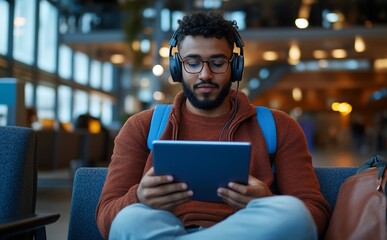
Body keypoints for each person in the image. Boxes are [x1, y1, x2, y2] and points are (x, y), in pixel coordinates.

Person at [96, 10, 330, 240]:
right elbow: (106, 218)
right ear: (177, 68)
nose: (205, 74)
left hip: (248, 229)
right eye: (193, 62)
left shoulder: (279, 126)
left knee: (294, 214)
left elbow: (314, 215)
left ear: (235, 67)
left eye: (217, 63)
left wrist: (266, 200)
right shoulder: (142, 126)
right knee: (129, 220)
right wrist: (139, 197)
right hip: (164, 227)